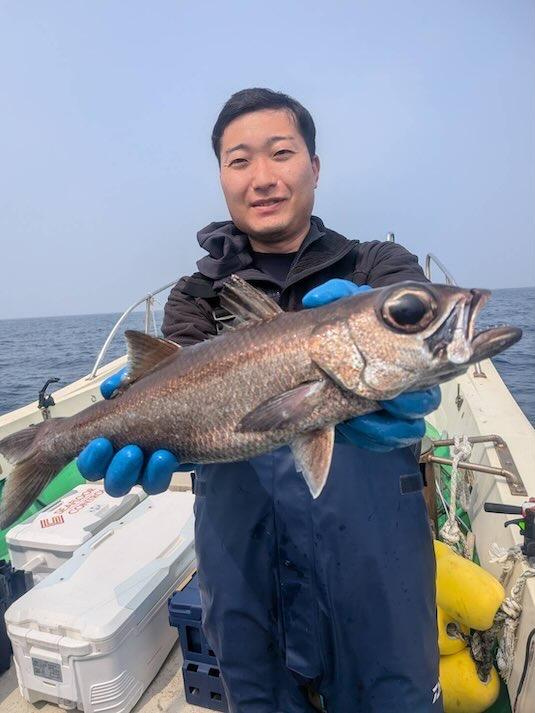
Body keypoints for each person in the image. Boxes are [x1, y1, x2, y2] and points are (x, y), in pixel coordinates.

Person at [78, 88, 443, 712]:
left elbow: (420, 323)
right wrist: (148, 422)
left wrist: (412, 374)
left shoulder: (376, 266)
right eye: (239, 160)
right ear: (222, 178)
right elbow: (173, 377)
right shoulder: (197, 296)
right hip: (244, 568)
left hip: (378, 569)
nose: (263, 177)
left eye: (281, 153)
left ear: (315, 167)